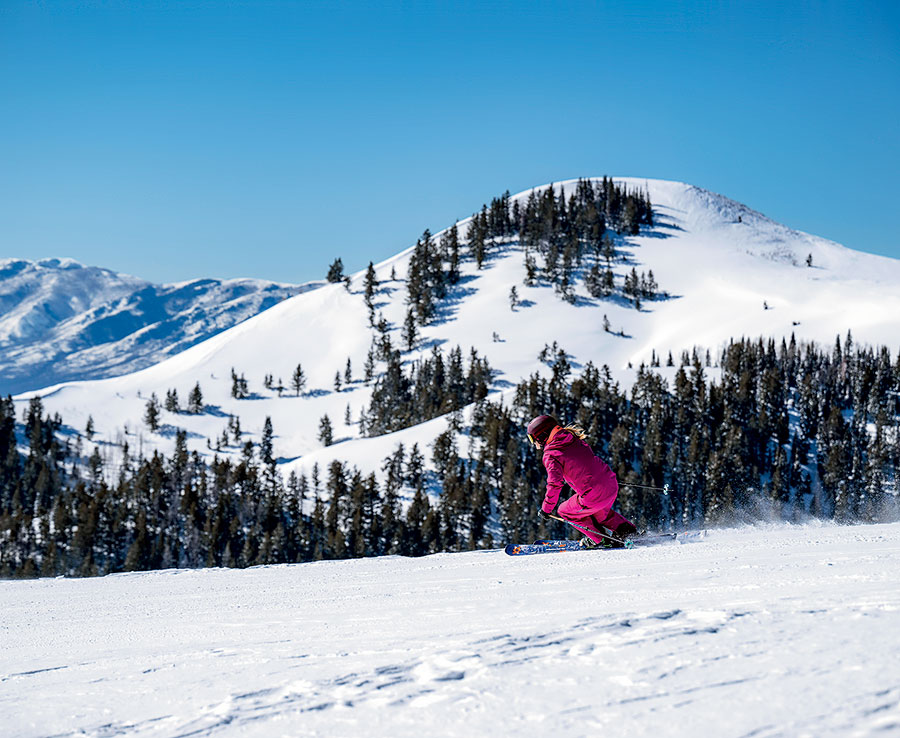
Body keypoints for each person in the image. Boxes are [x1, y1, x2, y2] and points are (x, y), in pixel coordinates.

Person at [526, 414, 637, 548]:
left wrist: (546, 509)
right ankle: (627, 531)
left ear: (542, 436)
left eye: (532, 438)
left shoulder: (551, 454)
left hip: (594, 493)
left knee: (564, 511)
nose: (533, 443)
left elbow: (555, 483)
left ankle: (601, 540)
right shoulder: (572, 438)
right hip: (610, 483)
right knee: (600, 514)